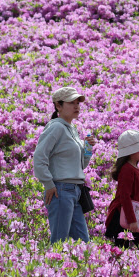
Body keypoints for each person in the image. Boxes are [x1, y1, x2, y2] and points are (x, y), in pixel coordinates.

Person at [33, 86, 96, 244]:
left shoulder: (72, 129)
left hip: (75, 191)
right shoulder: (56, 127)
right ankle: (51, 268)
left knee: (83, 244)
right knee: (59, 242)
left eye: (77, 103)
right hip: (61, 190)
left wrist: (87, 149)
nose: (76, 106)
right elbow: (39, 156)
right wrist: (48, 183)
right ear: (58, 106)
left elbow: (80, 165)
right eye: (71, 103)